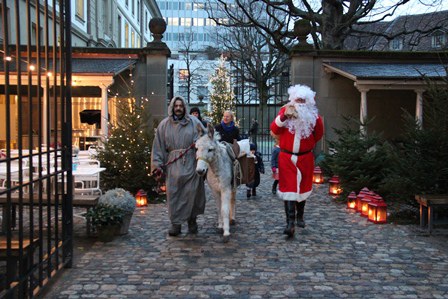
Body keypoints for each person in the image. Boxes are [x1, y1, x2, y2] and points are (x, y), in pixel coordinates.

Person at [270, 84, 324, 238]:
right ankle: (290, 223)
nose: (299, 103)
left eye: (302, 100)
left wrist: (309, 145)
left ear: (308, 102)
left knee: (303, 187)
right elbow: (274, 129)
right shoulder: (284, 112)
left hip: (305, 157)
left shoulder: (314, 117)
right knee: (289, 189)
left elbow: (319, 134)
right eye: (297, 100)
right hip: (287, 157)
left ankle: (300, 216)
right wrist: (284, 117)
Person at [151, 96, 206, 236]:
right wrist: (157, 165)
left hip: (191, 163)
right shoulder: (164, 125)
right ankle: (175, 223)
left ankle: (192, 221)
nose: (178, 108)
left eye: (181, 106)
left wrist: (198, 146)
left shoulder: (195, 122)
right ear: (172, 107)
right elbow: (158, 146)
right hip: (173, 166)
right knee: (174, 194)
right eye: (176, 106)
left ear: (184, 107)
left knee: (192, 193)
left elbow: (204, 139)